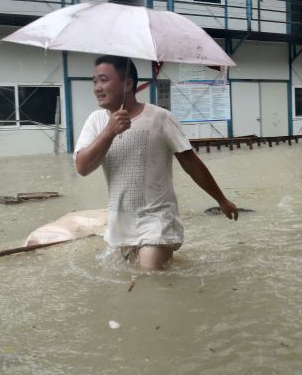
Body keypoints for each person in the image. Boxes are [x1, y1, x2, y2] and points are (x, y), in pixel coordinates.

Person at [74, 55, 238, 270]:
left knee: (151, 281)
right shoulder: (96, 121)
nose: (97, 87)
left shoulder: (160, 118)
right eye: (94, 81)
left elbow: (191, 164)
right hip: (119, 224)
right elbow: (82, 167)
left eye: (104, 80)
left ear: (128, 84)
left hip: (157, 221)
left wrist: (222, 200)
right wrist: (109, 132)